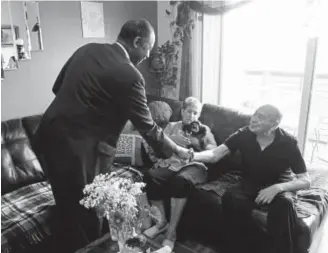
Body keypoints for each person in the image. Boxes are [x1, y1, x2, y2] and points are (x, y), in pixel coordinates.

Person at [34, 19, 190, 253]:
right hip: (79, 150)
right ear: (137, 41)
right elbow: (148, 127)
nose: (146, 56)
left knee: (67, 205)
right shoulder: (131, 75)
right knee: (89, 212)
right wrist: (176, 150)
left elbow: (58, 87)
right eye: (147, 49)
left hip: (47, 136)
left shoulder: (86, 49)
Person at [193, 104, 311, 253]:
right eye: (254, 114)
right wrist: (190, 155)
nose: (253, 119)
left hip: (279, 184)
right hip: (251, 181)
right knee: (231, 197)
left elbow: (305, 180)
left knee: (285, 204)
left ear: (274, 124)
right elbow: (215, 154)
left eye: (260, 117)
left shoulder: (288, 142)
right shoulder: (244, 134)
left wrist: (277, 188)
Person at [143, 97, 217, 251]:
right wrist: (171, 139)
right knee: (152, 176)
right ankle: (161, 222)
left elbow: (214, 151)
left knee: (180, 181)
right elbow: (156, 143)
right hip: (172, 164)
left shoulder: (204, 130)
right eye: (189, 112)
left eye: (196, 113)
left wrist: (198, 144)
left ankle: (171, 233)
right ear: (182, 111)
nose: (192, 116)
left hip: (195, 165)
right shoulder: (171, 126)